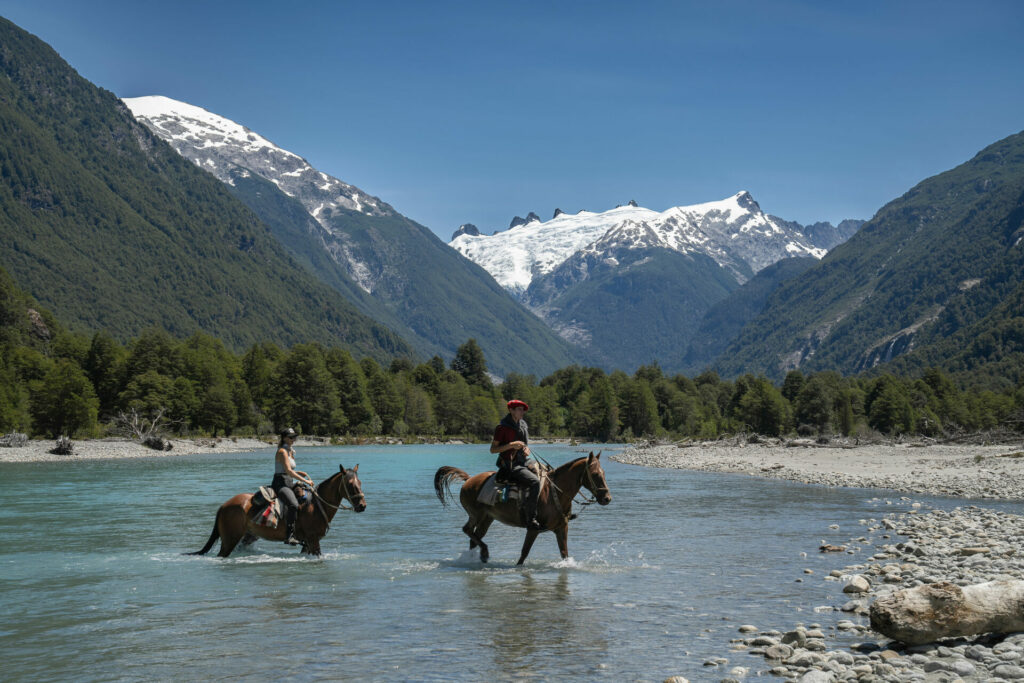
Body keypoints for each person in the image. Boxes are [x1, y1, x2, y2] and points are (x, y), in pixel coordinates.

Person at [490, 399, 542, 530]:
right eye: (519, 409)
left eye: (523, 409)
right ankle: (530, 519)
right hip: (509, 463)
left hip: (523, 460)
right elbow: (493, 449)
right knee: (535, 482)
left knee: (544, 471)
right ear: (511, 410)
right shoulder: (502, 428)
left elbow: (524, 445)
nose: (522, 412)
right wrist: (511, 445)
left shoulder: (523, 425)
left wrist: (526, 449)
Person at [273, 427, 314, 545]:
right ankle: (289, 536)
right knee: (293, 505)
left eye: (294, 437)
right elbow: (289, 471)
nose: (293, 440)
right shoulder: (282, 451)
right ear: (284, 438)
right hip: (280, 483)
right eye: (291, 437)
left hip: (289, 482)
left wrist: (302, 473)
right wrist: (305, 481)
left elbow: (290, 470)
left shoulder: (290, 451)